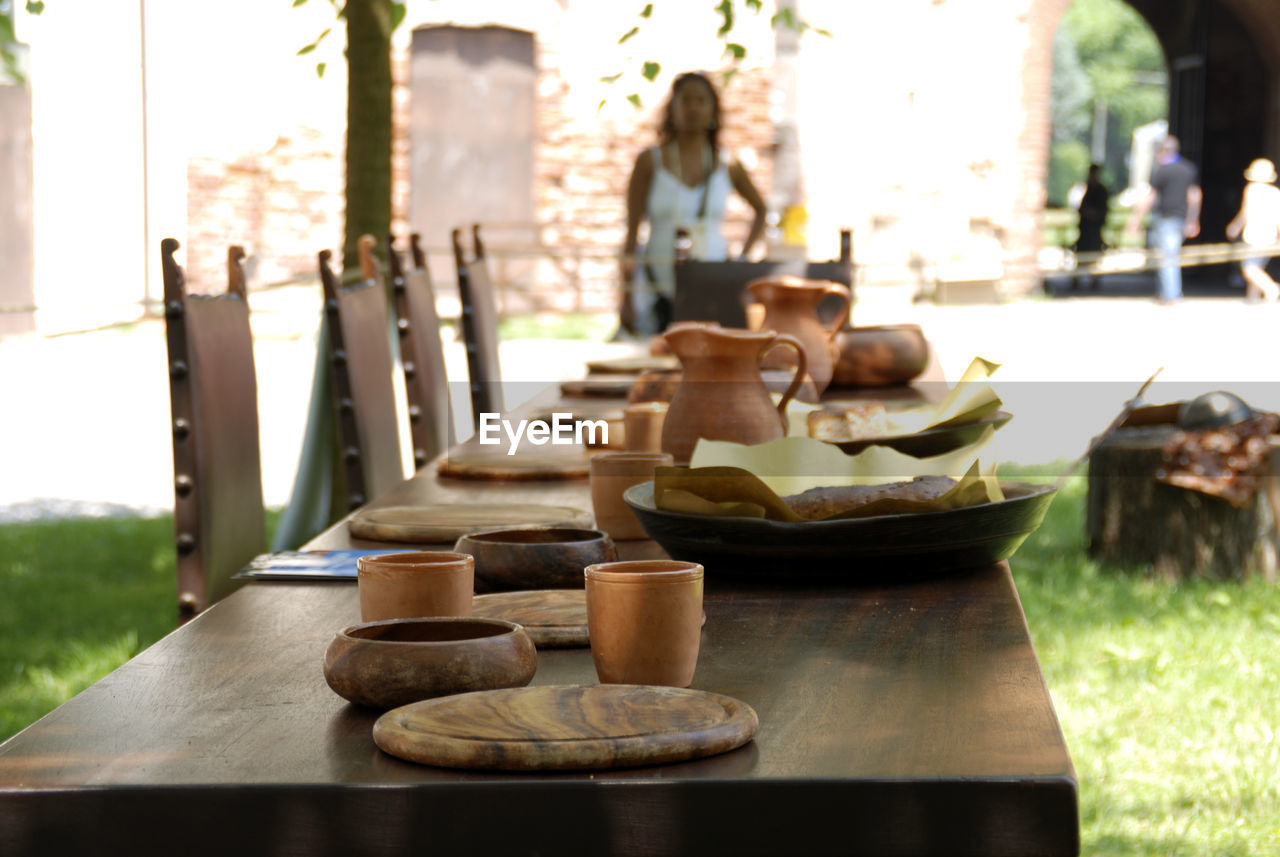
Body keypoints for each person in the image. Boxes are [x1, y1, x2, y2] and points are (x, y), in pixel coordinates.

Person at [618, 71, 768, 337]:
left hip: (711, 284)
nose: (693, 108)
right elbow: (631, 233)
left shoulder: (727, 164)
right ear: (672, 108)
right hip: (658, 285)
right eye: (686, 100)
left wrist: (741, 260)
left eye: (701, 101)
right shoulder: (649, 162)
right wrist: (626, 295)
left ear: (713, 110)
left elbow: (761, 210)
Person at [1126, 135, 1202, 304]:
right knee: (1169, 255)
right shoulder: (1188, 169)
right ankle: (1165, 292)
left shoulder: (1162, 170)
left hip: (1166, 219)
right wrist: (1193, 219)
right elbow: (1195, 196)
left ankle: (1171, 294)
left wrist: (1135, 220)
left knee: (1168, 257)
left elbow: (1150, 197)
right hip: (1181, 219)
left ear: (1162, 151)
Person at [1225, 157, 1280, 302]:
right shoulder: (1275, 192)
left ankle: (1271, 288)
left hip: (1254, 234)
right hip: (1270, 235)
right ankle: (1252, 297)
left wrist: (1235, 227)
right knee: (1257, 266)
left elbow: (1245, 212)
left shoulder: (1251, 189)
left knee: (1249, 268)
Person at [1073, 163, 1110, 290]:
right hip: (1085, 228)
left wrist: (1089, 213)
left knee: (1094, 254)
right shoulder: (1089, 189)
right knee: (1081, 254)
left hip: (1094, 228)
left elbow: (1101, 212)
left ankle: (1093, 280)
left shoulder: (1100, 191)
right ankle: (1076, 280)